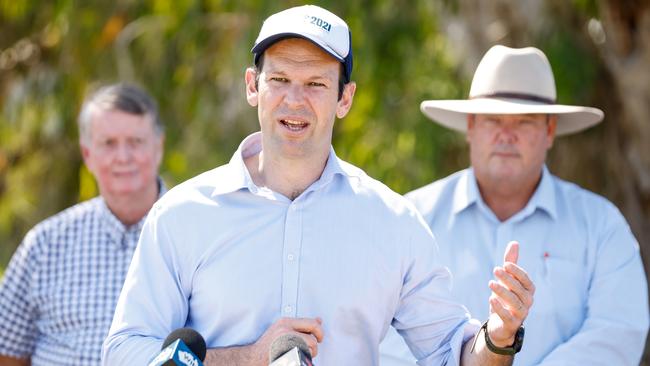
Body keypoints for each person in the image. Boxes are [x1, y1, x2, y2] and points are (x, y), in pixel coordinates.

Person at [102, 7, 534, 365]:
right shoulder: (183, 215)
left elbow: (450, 354)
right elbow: (124, 353)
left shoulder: (392, 222)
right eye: (280, 80)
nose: (294, 100)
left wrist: (497, 338)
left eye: (315, 84)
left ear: (345, 99)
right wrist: (248, 358)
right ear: (253, 86)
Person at [380, 45, 650, 365]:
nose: (506, 135)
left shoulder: (602, 225)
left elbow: (618, 333)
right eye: (493, 120)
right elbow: (385, 337)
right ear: (471, 127)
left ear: (549, 132)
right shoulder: (412, 219)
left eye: (524, 121)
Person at [0, 83, 166, 366]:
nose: (123, 157)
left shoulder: (199, 234)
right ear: (88, 154)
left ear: (158, 147)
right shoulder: (43, 246)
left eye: (135, 142)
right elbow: (8, 352)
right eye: (108, 144)